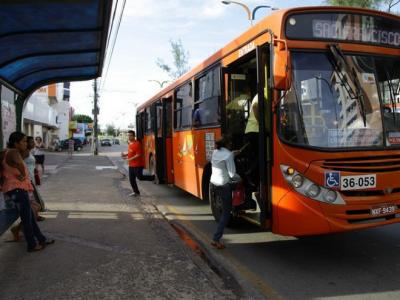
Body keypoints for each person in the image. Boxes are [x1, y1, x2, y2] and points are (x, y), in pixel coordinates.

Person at [2, 132, 54, 252]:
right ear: (16, 143)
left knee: (30, 216)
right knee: (27, 219)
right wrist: (22, 175)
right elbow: (23, 171)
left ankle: (41, 239)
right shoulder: (14, 152)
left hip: (14, 189)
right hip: (18, 190)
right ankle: (32, 244)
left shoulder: (6, 152)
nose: (26, 143)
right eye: (24, 141)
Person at [210, 136, 240, 250]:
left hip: (214, 184)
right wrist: (241, 178)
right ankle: (216, 239)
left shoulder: (215, 152)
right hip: (224, 186)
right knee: (227, 213)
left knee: (224, 208)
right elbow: (232, 174)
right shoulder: (228, 155)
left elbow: (224, 157)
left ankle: (235, 208)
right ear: (228, 144)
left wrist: (232, 154)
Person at [121, 130, 154, 196]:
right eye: (128, 135)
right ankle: (136, 192)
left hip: (138, 165)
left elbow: (138, 154)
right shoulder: (130, 143)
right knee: (131, 179)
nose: (129, 137)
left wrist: (129, 159)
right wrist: (125, 155)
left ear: (134, 136)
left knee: (140, 177)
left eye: (130, 135)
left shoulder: (137, 143)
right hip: (131, 165)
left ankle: (153, 177)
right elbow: (131, 152)